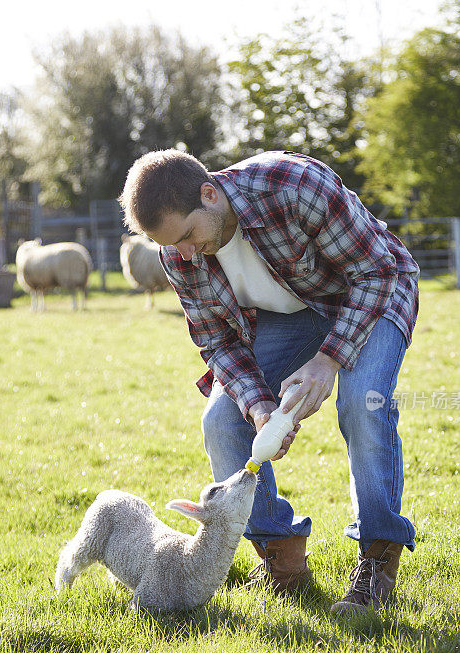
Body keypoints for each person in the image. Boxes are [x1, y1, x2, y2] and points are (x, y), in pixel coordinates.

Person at [119, 149, 419, 614]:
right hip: (290, 314)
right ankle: (281, 559)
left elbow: (375, 271)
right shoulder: (177, 255)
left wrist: (327, 361)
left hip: (370, 290)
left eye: (187, 236)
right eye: (171, 246)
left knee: (362, 403)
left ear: (210, 194)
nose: (184, 254)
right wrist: (259, 408)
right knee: (222, 420)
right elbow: (217, 342)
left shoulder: (293, 185)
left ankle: (377, 559)